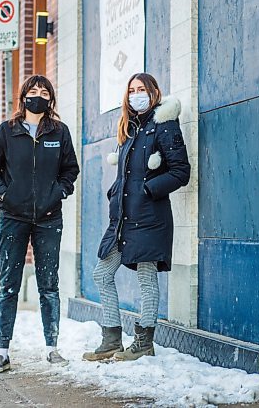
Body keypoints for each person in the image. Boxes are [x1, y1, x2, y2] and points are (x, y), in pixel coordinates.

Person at [83, 73, 190, 362]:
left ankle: (144, 341)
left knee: (146, 277)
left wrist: (147, 189)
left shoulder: (164, 124)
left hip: (150, 216)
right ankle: (111, 339)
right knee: (101, 274)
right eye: (132, 90)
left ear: (154, 92)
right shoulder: (130, 127)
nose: (136, 94)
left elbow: (182, 172)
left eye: (142, 89)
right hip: (123, 218)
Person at [0, 74, 79, 372]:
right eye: (33, 91)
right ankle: (2, 352)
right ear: (23, 96)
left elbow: (70, 169)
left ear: (51, 99)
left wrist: (59, 193)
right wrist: (4, 195)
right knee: (8, 285)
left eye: (45, 92)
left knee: (49, 284)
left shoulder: (59, 132)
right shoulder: (7, 132)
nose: (39, 95)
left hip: (49, 218)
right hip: (13, 217)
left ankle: (52, 348)